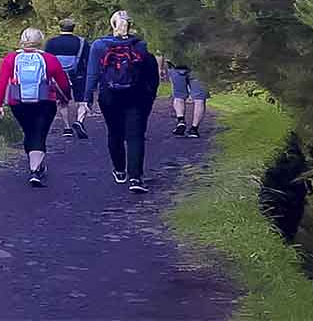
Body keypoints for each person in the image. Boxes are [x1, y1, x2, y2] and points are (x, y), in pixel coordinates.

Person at [81, 10, 158, 193]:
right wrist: (151, 94)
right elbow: (152, 73)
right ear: (131, 25)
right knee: (135, 135)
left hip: (109, 96)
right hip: (137, 95)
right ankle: (135, 178)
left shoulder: (99, 45)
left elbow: (92, 74)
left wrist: (87, 98)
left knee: (114, 132)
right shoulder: (142, 45)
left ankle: (119, 170)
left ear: (112, 24)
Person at [0, 27, 74, 187]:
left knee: (29, 132)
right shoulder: (49, 59)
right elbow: (63, 82)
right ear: (40, 41)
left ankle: (35, 165)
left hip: (18, 102)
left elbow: (2, 82)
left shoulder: (11, 59)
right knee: (39, 133)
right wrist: (66, 97)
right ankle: (35, 170)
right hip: (45, 102)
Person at [44, 18, 91, 139]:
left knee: (63, 102)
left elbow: (47, 61)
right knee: (82, 101)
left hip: (59, 75)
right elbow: (89, 61)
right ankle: (79, 121)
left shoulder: (51, 42)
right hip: (79, 74)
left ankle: (67, 127)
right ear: (73, 27)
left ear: (60, 28)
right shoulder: (81, 42)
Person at [163, 58, 209, 137]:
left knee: (179, 96)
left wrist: (161, 68)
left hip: (176, 66)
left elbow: (160, 51)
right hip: (199, 66)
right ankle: (194, 129)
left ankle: (181, 121)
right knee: (199, 99)